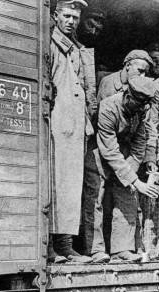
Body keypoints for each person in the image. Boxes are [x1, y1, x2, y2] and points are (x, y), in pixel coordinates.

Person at [83, 76, 159, 263]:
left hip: (123, 153)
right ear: (127, 95)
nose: (141, 108)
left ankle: (121, 249)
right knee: (95, 197)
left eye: (144, 105)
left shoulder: (141, 111)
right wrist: (135, 180)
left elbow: (139, 144)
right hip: (99, 152)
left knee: (127, 195)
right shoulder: (108, 107)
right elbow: (109, 149)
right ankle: (95, 249)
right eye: (138, 102)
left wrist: (130, 178)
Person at [49, 0, 96, 263]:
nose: (71, 21)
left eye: (75, 18)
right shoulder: (51, 44)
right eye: (66, 16)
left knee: (70, 187)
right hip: (59, 124)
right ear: (56, 16)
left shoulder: (75, 49)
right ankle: (51, 248)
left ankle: (65, 246)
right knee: (56, 186)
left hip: (75, 127)